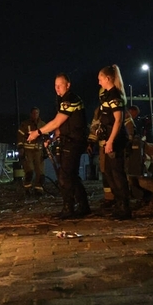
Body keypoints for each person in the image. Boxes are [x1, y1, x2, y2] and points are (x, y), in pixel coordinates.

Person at [28, 73, 91, 218]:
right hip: (69, 140)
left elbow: (57, 122)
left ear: (68, 85)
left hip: (73, 141)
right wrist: (53, 137)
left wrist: (37, 132)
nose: (57, 88)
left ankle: (69, 208)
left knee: (65, 175)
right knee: (71, 176)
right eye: (55, 85)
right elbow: (61, 125)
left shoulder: (70, 100)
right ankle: (83, 206)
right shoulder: (64, 100)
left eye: (60, 85)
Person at [95, 65, 132, 219]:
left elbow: (118, 121)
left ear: (108, 78)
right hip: (109, 139)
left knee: (117, 174)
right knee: (110, 173)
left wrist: (110, 141)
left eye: (100, 79)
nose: (99, 82)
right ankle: (119, 204)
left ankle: (124, 207)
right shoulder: (108, 95)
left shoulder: (114, 96)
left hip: (115, 140)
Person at [126, 104, 152, 206]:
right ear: (131, 111)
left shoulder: (124, 117)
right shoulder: (128, 120)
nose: (135, 117)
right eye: (135, 114)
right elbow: (131, 135)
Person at [17, 107, 46, 195]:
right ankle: (27, 188)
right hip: (28, 151)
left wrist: (46, 149)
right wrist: (21, 147)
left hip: (39, 151)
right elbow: (19, 136)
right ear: (31, 114)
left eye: (37, 113)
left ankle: (38, 189)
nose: (35, 115)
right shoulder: (25, 124)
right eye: (34, 113)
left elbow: (47, 137)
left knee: (40, 171)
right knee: (29, 170)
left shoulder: (42, 124)